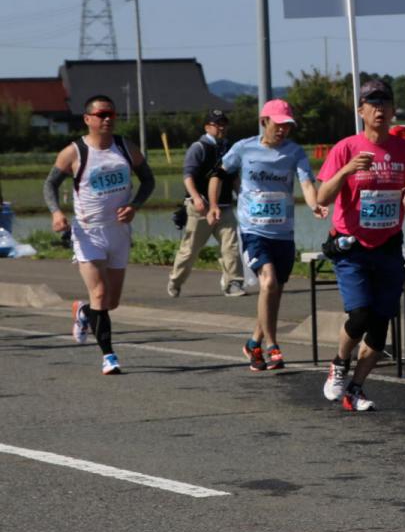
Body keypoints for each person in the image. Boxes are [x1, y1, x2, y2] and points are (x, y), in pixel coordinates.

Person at [317, 81, 405, 411]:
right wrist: (348, 170)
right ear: (361, 111)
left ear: (394, 111)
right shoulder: (346, 148)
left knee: (380, 324)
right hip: (351, 244)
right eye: (372, 103)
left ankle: (356, 388)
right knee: (360, 314)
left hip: (388, 244)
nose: (379, 109)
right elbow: (323, 196)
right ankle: (339, 363)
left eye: (385, 103)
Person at [209, 98, 326, 372]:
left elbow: (307, 183)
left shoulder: (294, 152)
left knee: (273, 292)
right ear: (264, 122)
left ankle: (253, 342)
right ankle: (273, 344)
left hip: (283, 231)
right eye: (279, 124)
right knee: (269, 282)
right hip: (253, 229)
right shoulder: (244, 148)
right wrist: (214, 204)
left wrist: (314, 204)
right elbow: (217, 174)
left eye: (288, 126)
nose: (283, 130)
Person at [44, 94, 156, 375]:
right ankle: (109, 355)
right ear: (88, 119)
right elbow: (50, 185)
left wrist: (134, 206)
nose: (107, 119)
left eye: (112, 115)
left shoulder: (125, 147)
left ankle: (83, 313)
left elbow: (149, 179)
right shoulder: (74, 152)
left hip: (118, 231)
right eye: (102, 114)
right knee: (100, 292)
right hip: (88, 232)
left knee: (111, 302)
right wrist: (57, 213)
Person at [168, 109, 244, 298]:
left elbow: (234, 177)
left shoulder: (229, 147)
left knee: (231, 246)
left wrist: (242, 196)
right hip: (199, 208)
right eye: (218, 124)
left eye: (224, 124)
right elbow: (188, 176)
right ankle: (175, 281)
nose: (222, 128)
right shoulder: (199, 148)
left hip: (224, 206)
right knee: (190, 250)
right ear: (207, 127)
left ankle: (233, 283)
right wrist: (195, 197)